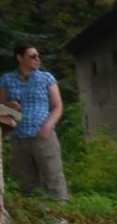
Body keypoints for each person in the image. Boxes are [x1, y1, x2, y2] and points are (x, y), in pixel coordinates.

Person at [0, 43, 69, 200]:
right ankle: (32, 217)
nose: (37, 59)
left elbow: (58, 106)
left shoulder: (46, 78)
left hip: (43, 134)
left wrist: (48, 126)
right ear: (19, 57)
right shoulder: (6, 80)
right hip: (19, 137)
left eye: (38, 56)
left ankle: (60, 218)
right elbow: (1, 111)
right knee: (26, 183)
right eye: (32, 56)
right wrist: (9, 106)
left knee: (53, 178)